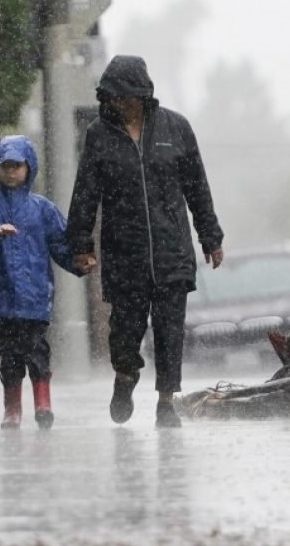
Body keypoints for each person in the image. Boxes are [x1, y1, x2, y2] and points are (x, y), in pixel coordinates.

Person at [66, 55, 224, 428]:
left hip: (172, 253)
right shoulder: (99, 136)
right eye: (112, 97)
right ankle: (125, 377)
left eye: (125, 96)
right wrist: (81, 245)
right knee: (124, 331)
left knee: (171, 332)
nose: (119, 104)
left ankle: (166, 401)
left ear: (142, 94)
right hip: (125, 255)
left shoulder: (176, 128)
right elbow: (86, 194)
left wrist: (210, 237)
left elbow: (197, 188)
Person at [0, 134, 79, 429]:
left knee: (36, 349)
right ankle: (12, 409)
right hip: (2, 297)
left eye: (17, 166)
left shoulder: (43, 209)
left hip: (35, 297)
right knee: (9, 354)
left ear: (28, 167)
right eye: (5, 166)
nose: (11, 172)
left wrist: (79, 263)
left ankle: (43, 401)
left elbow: (61, 244)